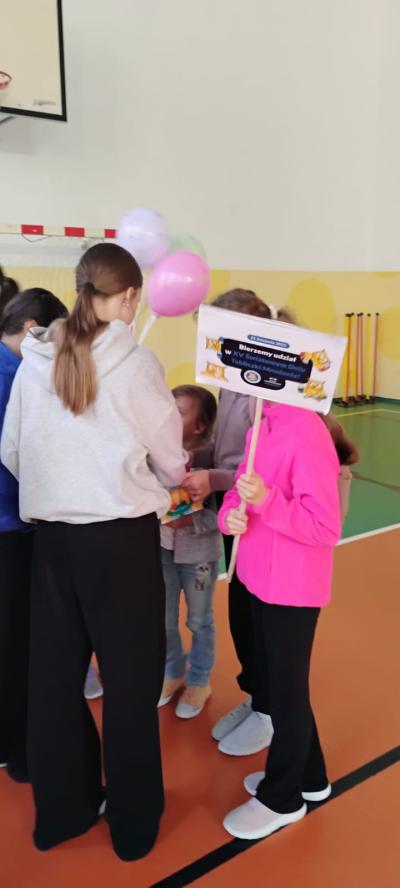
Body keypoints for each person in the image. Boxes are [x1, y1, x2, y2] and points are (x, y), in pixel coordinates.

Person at [1, 243, 187, 861]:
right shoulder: (136, 365)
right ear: (129, 296)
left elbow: (12, 451)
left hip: (53, 543)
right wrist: (153, 478)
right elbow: (171, 457)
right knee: (130, 685)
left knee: (54, 684)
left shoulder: (35, 360)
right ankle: (133, 827)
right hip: (120, 544)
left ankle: (63, 813)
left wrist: (62, 486)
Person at [218, 400, 342, 840]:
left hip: (292, 587)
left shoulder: (307, 431)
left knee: (287, 693)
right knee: (279, 684)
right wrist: (230, 515)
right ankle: (312, 778)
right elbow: (237, 491)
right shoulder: (262, 426)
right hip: (257, 577)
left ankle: (283, 798)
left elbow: (325, 526)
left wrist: (267, 501)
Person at [184, 291, 293, 756]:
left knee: (261, 620)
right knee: (241, 615)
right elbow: (229, 449)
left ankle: (270, 711)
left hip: (262, 520)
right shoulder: (232, 380)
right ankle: (256, 696)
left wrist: (214, 477)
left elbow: (260, 469)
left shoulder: (269, 391)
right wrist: (197, 458)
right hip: (235, 514)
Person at [0, 288, 68, 782]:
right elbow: (22, 458)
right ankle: (18, 746)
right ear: (32, 329)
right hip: (12, 528)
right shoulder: (17, 377)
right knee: (17, 642)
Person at [159, 385, 221, 719]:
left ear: (200, 425)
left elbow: (223, 516)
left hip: (198, 558)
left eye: (180, 412)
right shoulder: (157, 452)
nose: (169, 415)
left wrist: (191, 521)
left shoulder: (211, 461)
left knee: (199, 620)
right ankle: (173, 671)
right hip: (161, 552)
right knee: (164, 618)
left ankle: (199, 680)